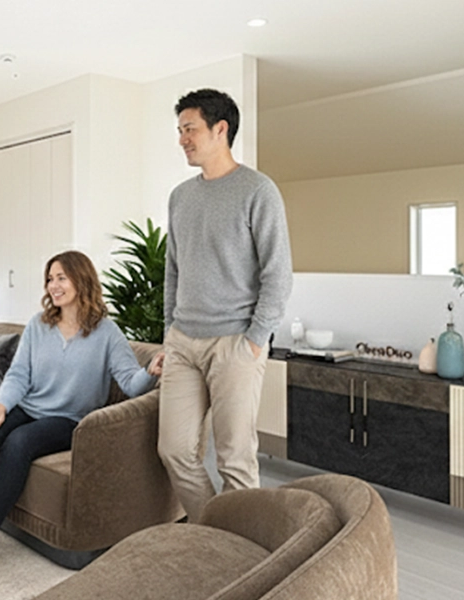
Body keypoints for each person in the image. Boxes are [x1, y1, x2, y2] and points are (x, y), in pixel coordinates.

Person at [0, 249, 165, 589]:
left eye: (61, 278)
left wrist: (151, 371)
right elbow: (18, 374)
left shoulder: (107, 333)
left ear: (81, 280)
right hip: (28, 406)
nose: (53, 286)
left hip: (68, 419)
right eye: (49, 279)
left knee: (19, 444)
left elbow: (131, 384)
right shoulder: (38, 325)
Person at [159, 88, 293, 521]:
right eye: (180, 130)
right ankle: (214, 531)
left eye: (190, 129)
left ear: (221, 130)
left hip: (235, 342)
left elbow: (278, 274)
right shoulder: (180, 196)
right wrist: (168, 333)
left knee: (235, 459)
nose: (183, 139)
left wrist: (255, 340)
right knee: (174, 450)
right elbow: (173, 270)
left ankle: (244, 547)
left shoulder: (258, 190)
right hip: (183, 342)